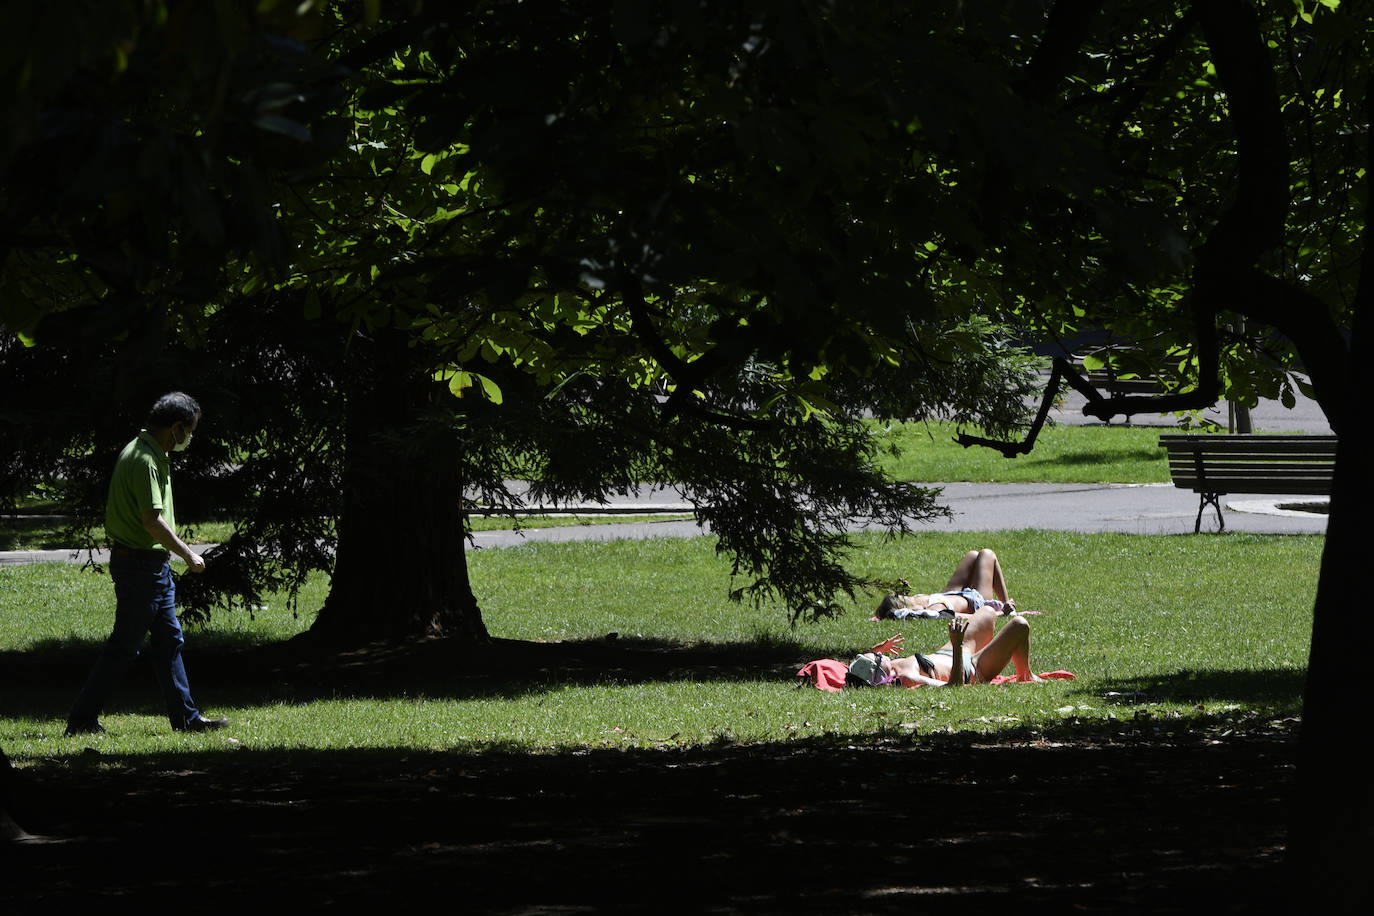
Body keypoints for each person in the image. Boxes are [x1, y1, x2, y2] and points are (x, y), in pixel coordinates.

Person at [66, 392, 228, 735]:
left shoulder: (147, 451)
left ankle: (187, 720)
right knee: (124, 646)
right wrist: (188, 554)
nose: (189, 439)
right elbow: (152, 521)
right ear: (176, 427)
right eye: (189, 431)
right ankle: (81, 720)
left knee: (169, 641)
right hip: (140, 568)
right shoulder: (146, 461)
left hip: (150, 566)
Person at [846, 608, 1043, 688]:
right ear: (881, 672)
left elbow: (860, 668)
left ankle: (1001, 610)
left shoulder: (872, 671)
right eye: (877, 656)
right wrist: (957, 645)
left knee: (988, 612)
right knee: (1020, 625)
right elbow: (953, 687)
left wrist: (878, 648)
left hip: (947, 652)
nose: (878, 653)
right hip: (972, 668)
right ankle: (1025, 675)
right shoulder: (907, 678)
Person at [875, 548, 1015, 619]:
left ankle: (1009, 607)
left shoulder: (918, 601)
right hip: (975, 601)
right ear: (903, 607)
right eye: (901, 599)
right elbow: (966, 617)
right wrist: (1001, 613)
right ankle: (1010, 607)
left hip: (950, 594)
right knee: (987, 554)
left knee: (972, 555)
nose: (905, 596)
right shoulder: (933, 611)